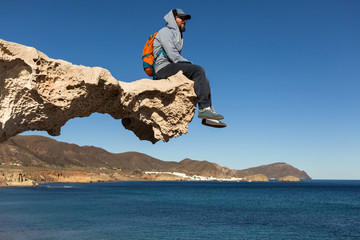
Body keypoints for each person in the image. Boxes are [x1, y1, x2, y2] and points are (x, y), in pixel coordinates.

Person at [153, 9, 226, 128]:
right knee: (198, 70)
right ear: (173, 18)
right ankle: (204, 109)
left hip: (170, 66)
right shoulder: (165, 31)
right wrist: (190, 64)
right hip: (163, 68)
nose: (184, 21)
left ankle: (208, 116)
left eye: (185, 19)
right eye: (181, 18)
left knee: (202, 78)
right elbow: (172, 55)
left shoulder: (178, 35)